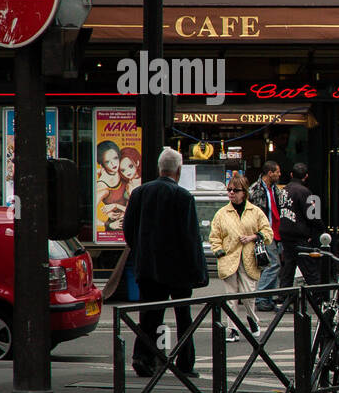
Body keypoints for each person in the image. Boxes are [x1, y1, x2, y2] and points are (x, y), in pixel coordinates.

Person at [123, 148, 209, 377]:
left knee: (149, 315)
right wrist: (197, 270)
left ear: (160, 168)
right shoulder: (183, 197)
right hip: (178, 269)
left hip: (148, 266)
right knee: (183, 316)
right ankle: (185, 362)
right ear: (178, 170)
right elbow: (191, 238)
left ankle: (143, 357)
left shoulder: (140, 193)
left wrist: (141, 251)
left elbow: (128, 230)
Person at [209, 173, 274, 341]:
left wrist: (253, 237)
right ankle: (233, 330)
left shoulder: (255, 212)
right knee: (231, 297)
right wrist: (219, 251)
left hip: (249, 259)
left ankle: (252, 319)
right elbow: (214, 236)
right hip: (228, 259)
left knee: (248, 294)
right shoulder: (222, 214)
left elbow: (268, 233)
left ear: (244, 192)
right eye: (229, 190)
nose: (231, 193)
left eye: (235, 190)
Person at [248, 160, 290, 311]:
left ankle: (266, 297)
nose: (279, 174)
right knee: (274, 264)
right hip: (264, 232)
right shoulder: (255, 189)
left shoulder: (275, 189)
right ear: (269, 173)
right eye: (277, 172)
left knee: (270, 265)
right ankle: (261, 297)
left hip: (276, 232)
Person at [278, 162, 321, 289]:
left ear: (291, 174)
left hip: (285, 233)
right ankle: (318, 298)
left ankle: (284, 297)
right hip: (299, 235)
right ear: (306, 176)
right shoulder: (305, 191)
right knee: (310, 269)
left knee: (288, 267)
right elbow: (313, 215)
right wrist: (319, 230)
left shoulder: (283, 190)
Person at [95, 140, 128, 232]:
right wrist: (108, 224)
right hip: (116, 229)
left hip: (130, 222)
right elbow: (89, 215)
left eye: (115, 158)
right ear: (102, 164)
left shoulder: (124, 172)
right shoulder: (103, 186)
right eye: (108, 162)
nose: (114, 164)